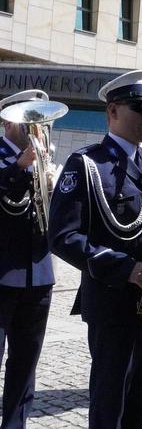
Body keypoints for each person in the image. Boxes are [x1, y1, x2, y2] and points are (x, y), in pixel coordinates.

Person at [48, 70, 142, 428]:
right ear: (112, 111)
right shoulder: (86, 165)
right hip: (112, 303)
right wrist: (126, 268)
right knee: (110, 402)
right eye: (140, 107)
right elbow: (62, 236)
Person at [0, 90, 54, 428]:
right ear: (8, 121)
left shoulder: (43, 159)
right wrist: (19, 169)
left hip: (38, 274)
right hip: (2, 273)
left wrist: (52, 184)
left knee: (25, 361)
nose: (37, 125)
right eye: (28, 118)